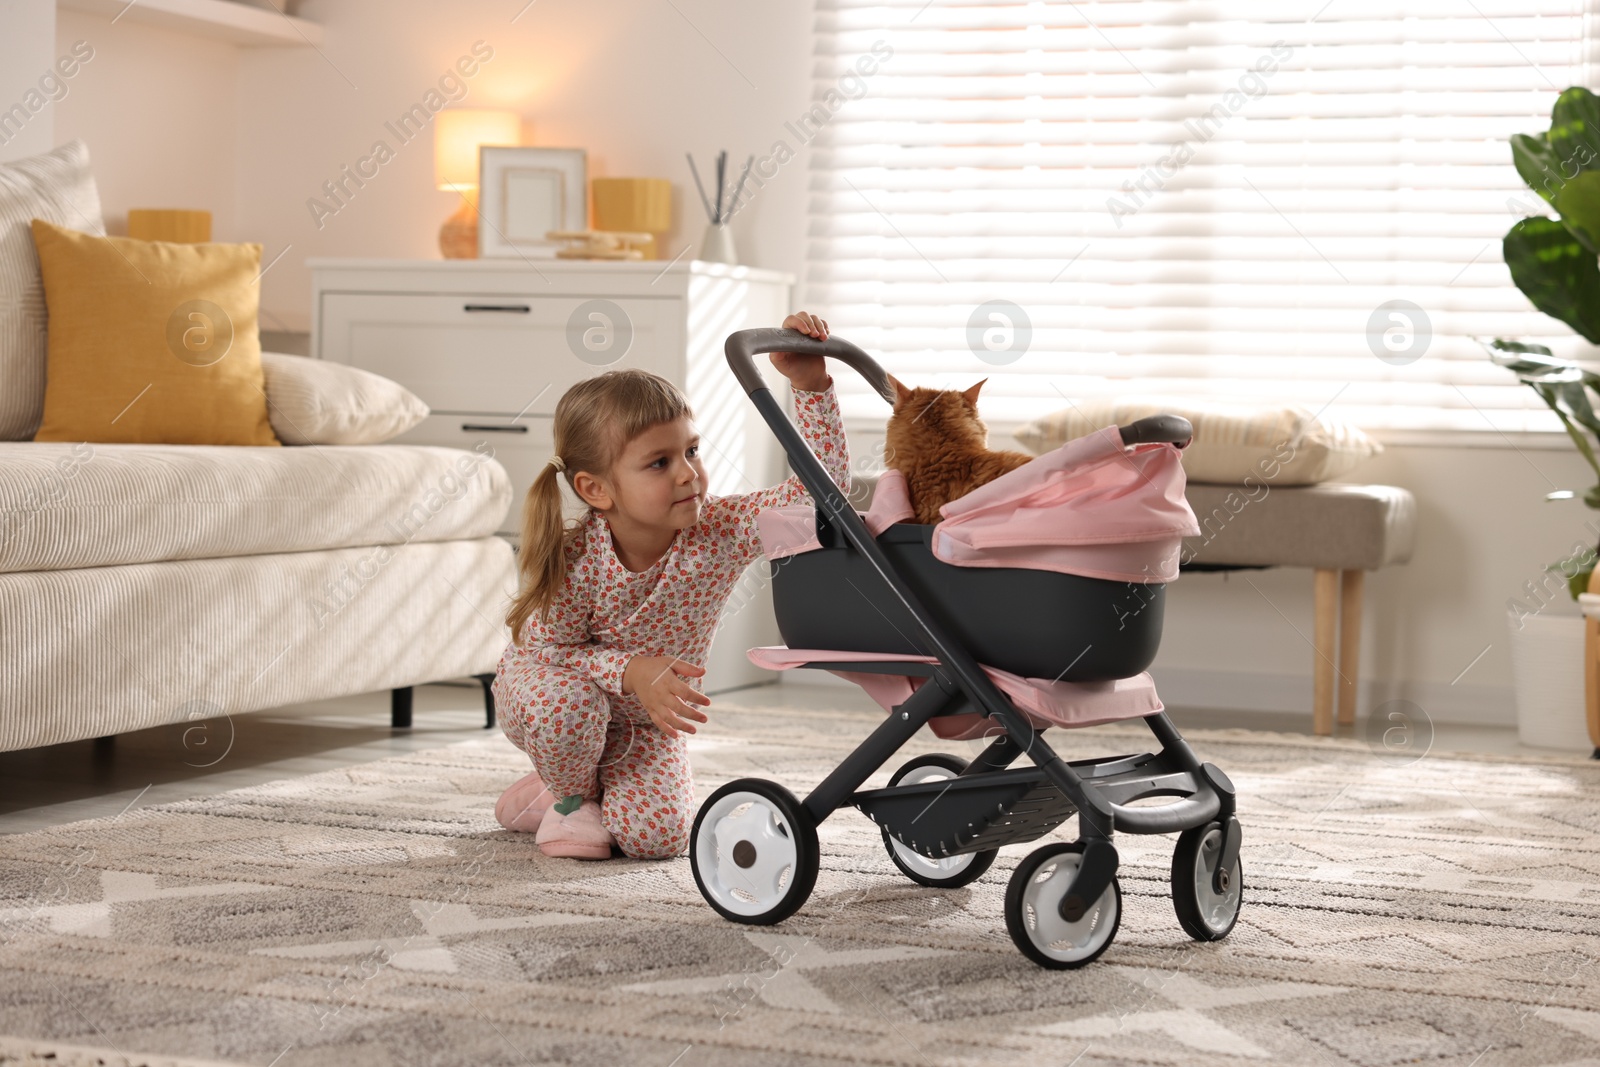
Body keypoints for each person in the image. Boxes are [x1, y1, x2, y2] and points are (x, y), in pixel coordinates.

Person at [491, 311, 849, 859]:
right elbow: (546, 651)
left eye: (692, 451)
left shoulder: (720, 530)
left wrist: (810, 386)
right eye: (659, 463)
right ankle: (567, 798)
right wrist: (629, 670)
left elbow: (818, 501)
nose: (688, 473)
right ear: (597, 489)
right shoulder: (577, 558)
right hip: (551, 696)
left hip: (642, 724)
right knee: (566, 707)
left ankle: (576, 784)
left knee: (655, 838)